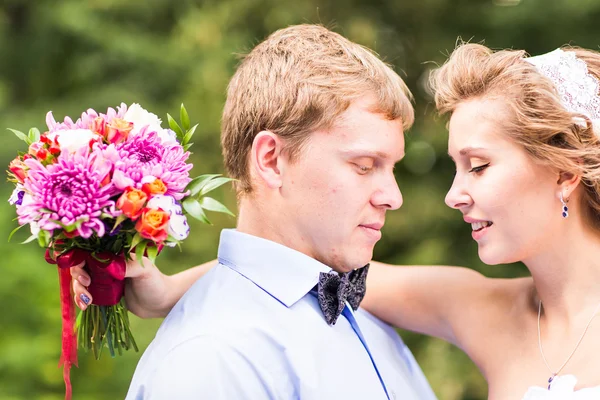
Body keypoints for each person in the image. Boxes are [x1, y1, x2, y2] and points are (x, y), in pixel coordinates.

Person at [74, 43, 600, 398]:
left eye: (479, 165)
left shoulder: (382, 312)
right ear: (272, 160)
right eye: (365, 165)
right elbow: (280, 273)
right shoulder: (478, 309)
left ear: (565, 172)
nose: (452, 195)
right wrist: (165, 294)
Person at [98, 24, 436, 400]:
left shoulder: (373, 324)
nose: (393, 196)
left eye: (393, 168)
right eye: (363, 165)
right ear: (272, 161)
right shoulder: (212, 361)